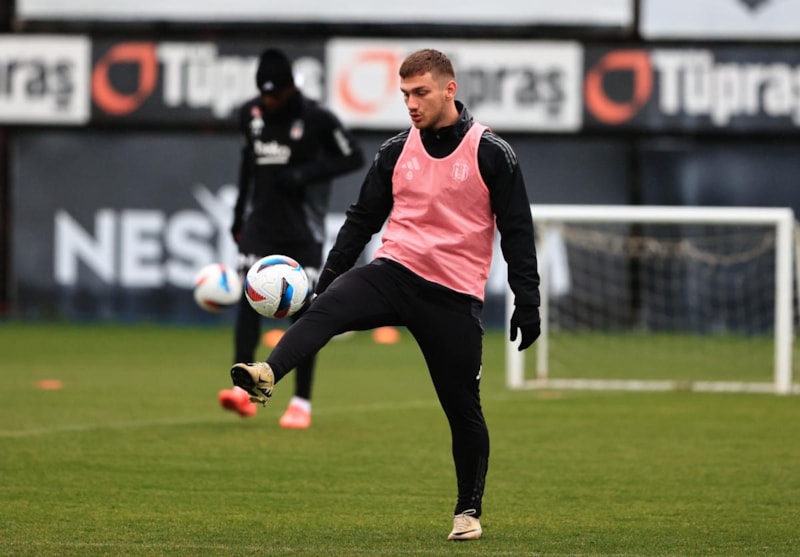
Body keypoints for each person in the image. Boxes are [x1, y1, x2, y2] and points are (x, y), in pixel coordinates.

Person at [229, 48, 540, 540]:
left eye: (421, 93)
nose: (411, 104)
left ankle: (467, 512)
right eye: (405, 94)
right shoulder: (396, 150)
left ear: (450, 90)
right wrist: (327, 281)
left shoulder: (490, 152)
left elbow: (517, 230)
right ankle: (267, 372)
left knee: (462, 408)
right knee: (326, 308)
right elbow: (361, 220)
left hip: (452, 295)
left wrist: (528, 299)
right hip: (393, 272)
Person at [224, 47, 365, 428]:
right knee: (248, 302)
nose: (267, 101)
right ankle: (242, 390)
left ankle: (301, 401)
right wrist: (238, 216)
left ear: (289, 89)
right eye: (263, 94)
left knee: (305, 312)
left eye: (274, 95)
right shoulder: (250, 115)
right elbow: (247, 166)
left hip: (303, 229)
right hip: (260, 224)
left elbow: (353, 156)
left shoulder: (317, 118)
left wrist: (305, 174)